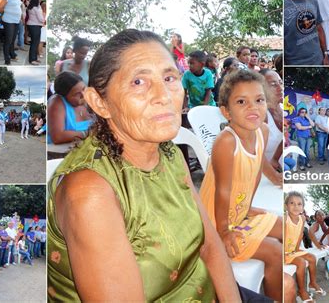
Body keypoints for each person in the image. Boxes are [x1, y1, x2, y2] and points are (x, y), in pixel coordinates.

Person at [48, 29, 268, 302]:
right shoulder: (90, 191)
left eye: (168, 78)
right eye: (138, 81)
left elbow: (210, 247)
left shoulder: (168, 152)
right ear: (99, 102)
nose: (163, 95)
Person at [199, 70, 282, 301]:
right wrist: (224, 231)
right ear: (226, 111)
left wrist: (246, 207)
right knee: (274, 251)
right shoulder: (226, 142)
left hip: (238, 212)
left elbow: (256, 171)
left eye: (259, 100)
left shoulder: (262, 131)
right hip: (217, 221)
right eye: (241, 102)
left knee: (285, 227)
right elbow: (223, 190)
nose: (252, 107)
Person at [284, 192, 326, 301]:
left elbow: (299, 234)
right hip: (283, 252)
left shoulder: (302, 219)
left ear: (303, 207)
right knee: (301, 263)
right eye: (292, 203)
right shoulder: (285, 219)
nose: (296, 206)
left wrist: (297, 248)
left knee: (312, 257)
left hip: (293, 250)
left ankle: (312, 283)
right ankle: (302, 291)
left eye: (299, 204)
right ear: (286, 205)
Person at [47, 72, 92, 144]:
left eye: (84, 89)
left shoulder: (89, 99)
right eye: (77, 94)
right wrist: (87, 134)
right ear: (64, 96)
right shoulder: (56, 103)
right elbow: (57, 137)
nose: (83, 95)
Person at [259, 68, 284, 187]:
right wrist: (275, 177)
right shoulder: (260, 115)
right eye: (273, 84)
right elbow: (255, 154)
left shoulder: (285, 109)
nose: (280, 88)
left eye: (280, 82)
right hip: (264, 178)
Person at [0, 0, 22, 65]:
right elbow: (0, 8)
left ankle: (12, 55)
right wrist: (6, 13)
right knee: (8, 40)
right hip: (8, 21)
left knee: (13, 40)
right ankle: (7, 59)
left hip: (16, 21)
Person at [26, 0, 45, 65]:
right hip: (35, 26)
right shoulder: (36, 7)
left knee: (35, 43)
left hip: (32, 25)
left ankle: (34, 58)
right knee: (34, 43)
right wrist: (44, 20)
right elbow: (40, 18)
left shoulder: (31, 6)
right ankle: (32, 59)